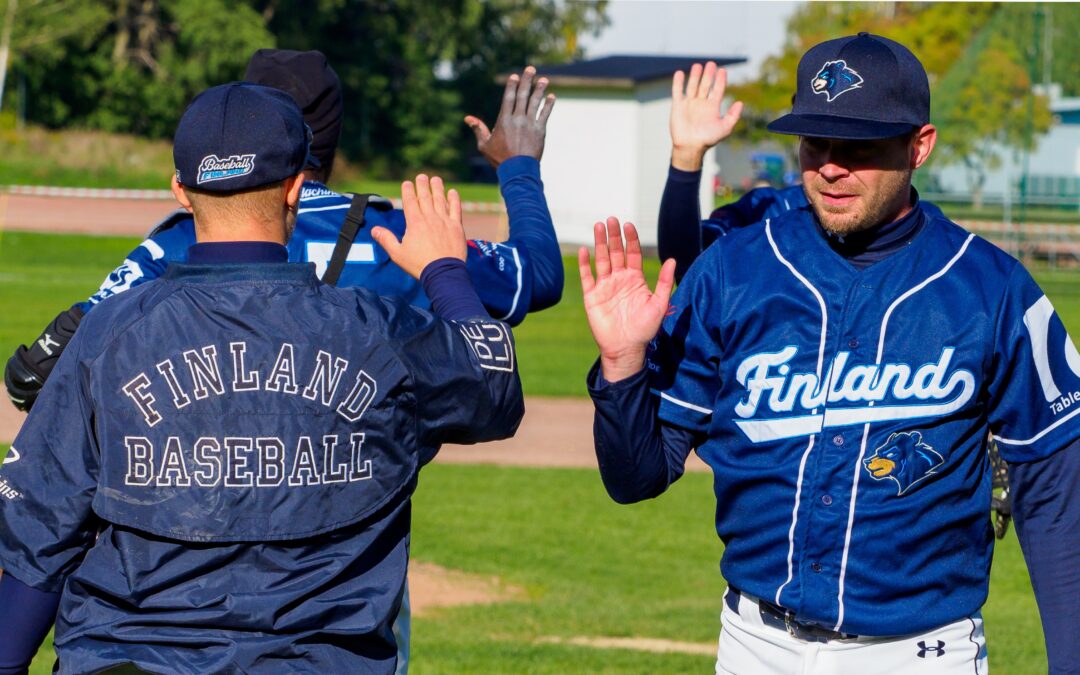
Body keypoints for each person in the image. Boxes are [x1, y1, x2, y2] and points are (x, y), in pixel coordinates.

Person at [580, 33, 1079, 674]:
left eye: (860, 147)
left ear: (919, 146)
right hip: (753, 646)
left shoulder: (991, 289)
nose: (832, 167)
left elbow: (1056, 494)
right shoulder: (734, 271)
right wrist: (623, 366)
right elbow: (635, 478)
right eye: (816, 142)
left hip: (918, 655)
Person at [0, 81, 523, 674]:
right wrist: (444, 271)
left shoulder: (109, 335)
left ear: (180, 189)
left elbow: (36, 539)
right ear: (298, 185)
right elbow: (493, 386)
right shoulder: (375, 331)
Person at [4, 50, 562, 411]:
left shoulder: (179, 239)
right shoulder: (402, 235)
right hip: (354, 560)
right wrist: (517, 167)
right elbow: (537, 276)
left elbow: (43, 367)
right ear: (332, 144)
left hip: (187, 549)